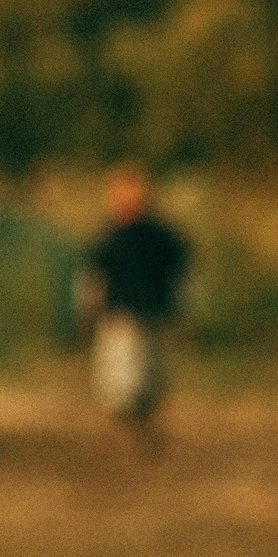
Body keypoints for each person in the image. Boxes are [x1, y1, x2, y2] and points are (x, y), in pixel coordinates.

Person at [76, 163, 191, 449]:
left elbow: (93, 278)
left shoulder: (116, 235)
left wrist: (87, 311)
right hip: (138, 314)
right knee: (137, 377)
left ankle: (137, 424)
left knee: (131, 378)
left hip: (135, 315)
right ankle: (139, 425)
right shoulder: (161, 235)